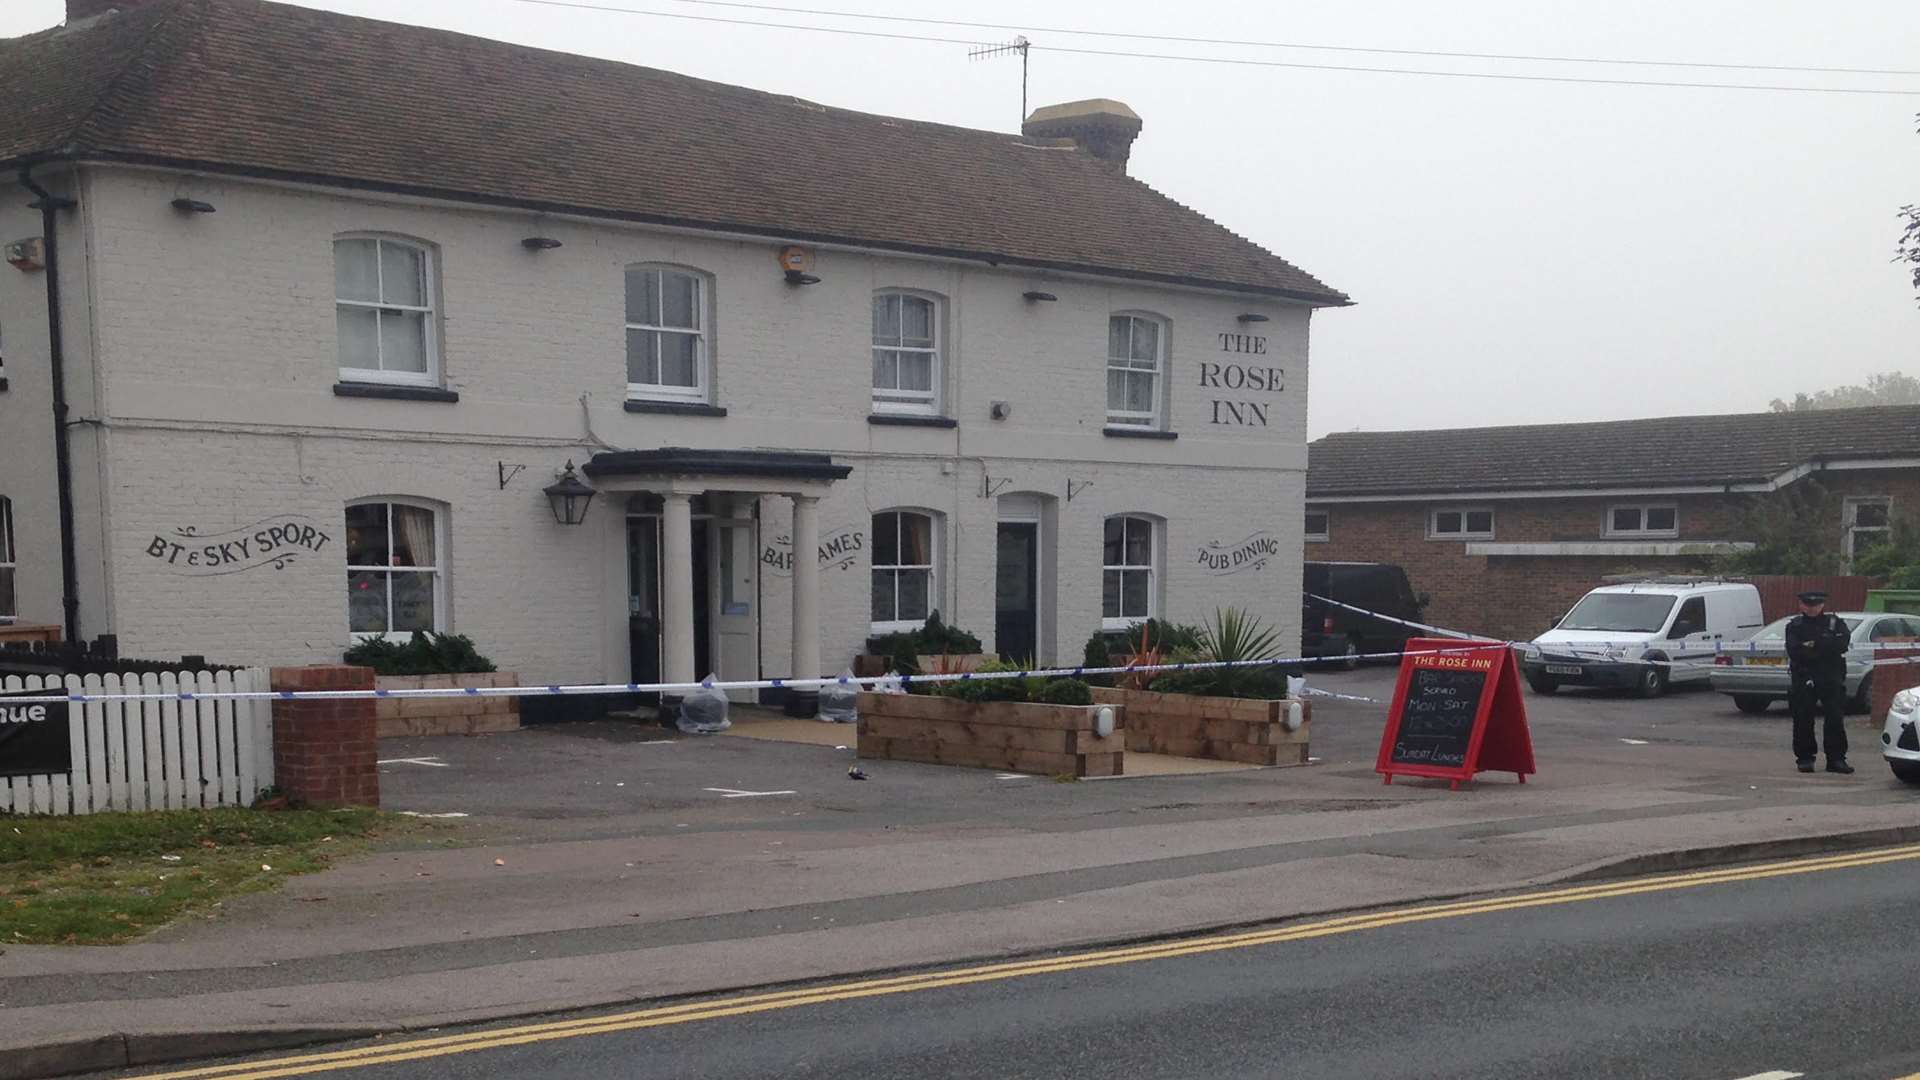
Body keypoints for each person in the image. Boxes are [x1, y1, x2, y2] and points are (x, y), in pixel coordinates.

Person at [1784, 590, 1852, 774]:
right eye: (1807, 605)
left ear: (1822, 605)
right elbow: (1795, 651)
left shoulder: (1836, 623)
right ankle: (1805, 759)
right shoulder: (1794, 626)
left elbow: (1842, 645)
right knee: (1803, 719)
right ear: (1801, 605)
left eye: (1815, 605)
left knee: (1835, 719)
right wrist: (1824, 645)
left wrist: (1813, 646)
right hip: (1804, 676)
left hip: (1831, 676)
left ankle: (1836, 759)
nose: (1812, 608)